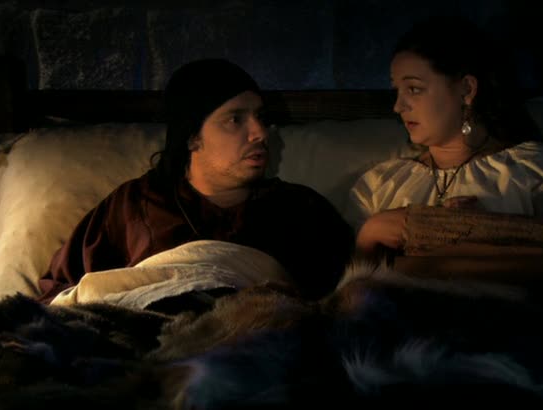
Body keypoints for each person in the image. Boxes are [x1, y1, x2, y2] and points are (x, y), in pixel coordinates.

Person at [38, 58, 354, 304]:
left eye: (261, 117)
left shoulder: (300, 209)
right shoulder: (135, 205)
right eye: (235, 120)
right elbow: (63, 297)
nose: (260, 132)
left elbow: (346, 303)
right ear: (192, 137)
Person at [347, 16, 543, 279]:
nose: (398, 106)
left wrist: (488, 231)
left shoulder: (533, 171)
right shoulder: (380, 184)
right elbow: (342, 290)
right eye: (397, 90)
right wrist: (372, 233)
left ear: (466, 89)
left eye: (414, 89)